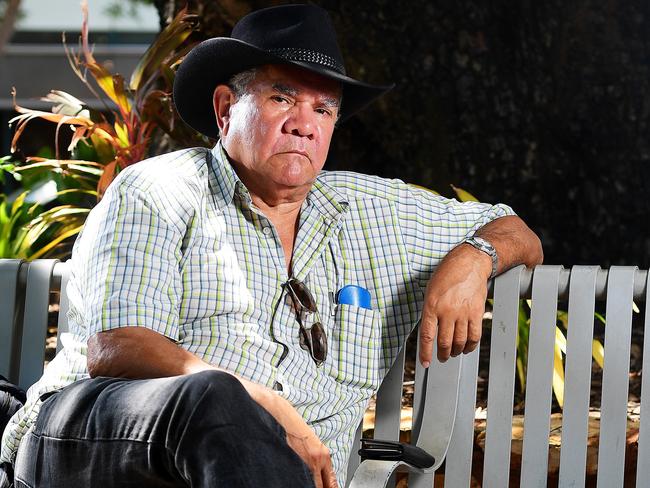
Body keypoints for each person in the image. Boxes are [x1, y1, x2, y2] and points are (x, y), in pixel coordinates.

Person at [0, 4, 543, 488]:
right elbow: (117, 348)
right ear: (224, 109)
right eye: (282, 97)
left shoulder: (374, 212)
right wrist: (263, 403)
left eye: (323, 109)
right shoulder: (159, 190)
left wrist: (475, 259)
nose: (304, 125)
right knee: (215, 399)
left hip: (270, 474)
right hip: (94, 442)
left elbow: (514, 228)